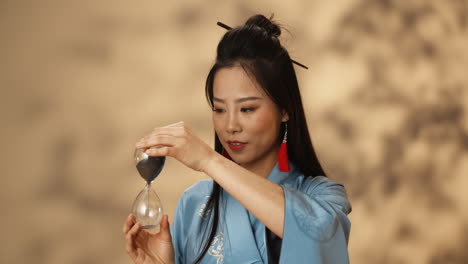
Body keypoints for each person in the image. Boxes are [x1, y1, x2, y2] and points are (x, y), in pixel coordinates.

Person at [123, 14, 351, 264]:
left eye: (247, 109)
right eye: (220, 110)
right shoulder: (195, 204)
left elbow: (318, 237)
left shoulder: (323, 197)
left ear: (285, 109)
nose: (230, 126)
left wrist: (209, 161)